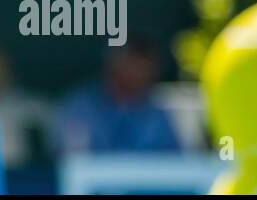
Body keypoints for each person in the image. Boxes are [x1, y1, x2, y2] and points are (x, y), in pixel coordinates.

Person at [53, 39, 182, 154]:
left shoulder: (157, 115)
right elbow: (70, 162)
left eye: (146, 70)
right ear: (113, 66)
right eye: (133, 67)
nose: (139, 76)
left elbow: (176, 163)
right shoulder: (79, 109)